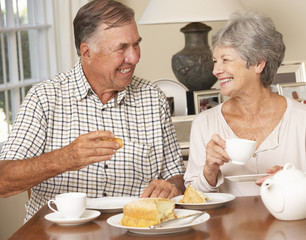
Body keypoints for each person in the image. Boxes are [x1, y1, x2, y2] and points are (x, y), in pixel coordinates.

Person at [0, 0, 185, 221]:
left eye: (136, 44)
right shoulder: (44, 99)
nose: (134, 57)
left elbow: (176, 175)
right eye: (122, 48)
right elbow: (3, 181)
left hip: (133, 230)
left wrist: (170, 186)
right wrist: (64, 158)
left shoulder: (153, 98)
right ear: (87, 52)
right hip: (56, 234)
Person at [184, 11, 306, 197]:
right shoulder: (204, 123)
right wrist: (209, 172)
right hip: (228, 227)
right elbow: (192, 197)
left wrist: (297, 178)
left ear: (258, 63)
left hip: (293, 225)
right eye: (215, 61)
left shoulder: (302, 117)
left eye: (226, 60)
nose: (216, 70)